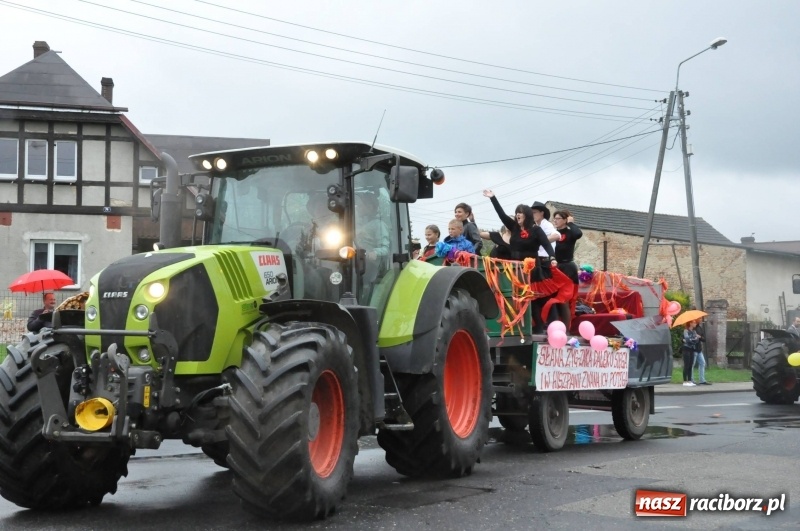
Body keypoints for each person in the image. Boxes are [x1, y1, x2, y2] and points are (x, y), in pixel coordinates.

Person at [483, 189, 572, 332]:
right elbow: (501, 214)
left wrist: (553, 257)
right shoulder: (514, 228)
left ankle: (552, 326)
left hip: (532, 269)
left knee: (539, 299)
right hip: (517, 269)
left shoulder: (536, 230)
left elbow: (546, 244)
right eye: (516, 212)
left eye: (521, 212)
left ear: (527, 215)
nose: (518, 215)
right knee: (524, 300)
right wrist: (493, 198)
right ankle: (533, 328)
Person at [552, 210, 583, 321]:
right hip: (556, 267)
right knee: (554, 299)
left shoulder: (570, 233)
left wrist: (570, 223)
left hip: (567, 267)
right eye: (554, 218)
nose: (555, 220)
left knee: (563, 299)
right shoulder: (553, 233)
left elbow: (578, 234)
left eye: (558, 218)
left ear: (565, 220)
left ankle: (567, 329)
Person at [692, 318, 711, 385]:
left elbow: (704, 339)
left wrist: (700, 337)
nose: (700, 320)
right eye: (699, 319)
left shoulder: (700, 328)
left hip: (699, 349)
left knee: (702, 363)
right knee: (692, 365)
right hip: (693, 349)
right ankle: (691, 380)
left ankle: (702, 380)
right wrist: (694, 336)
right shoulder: (691, 328)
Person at [681, 320, 699, 386]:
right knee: (686, 365)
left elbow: (696, 340)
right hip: (686, 349)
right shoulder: (686, 330)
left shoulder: (694, 331)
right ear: (690, 323)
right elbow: (687, 339)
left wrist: (692, 340)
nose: (695, 324)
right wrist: (693, 339)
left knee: (691, 365)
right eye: (694, 322)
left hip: (692, 349)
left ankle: (689, 380)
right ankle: (685, 381)